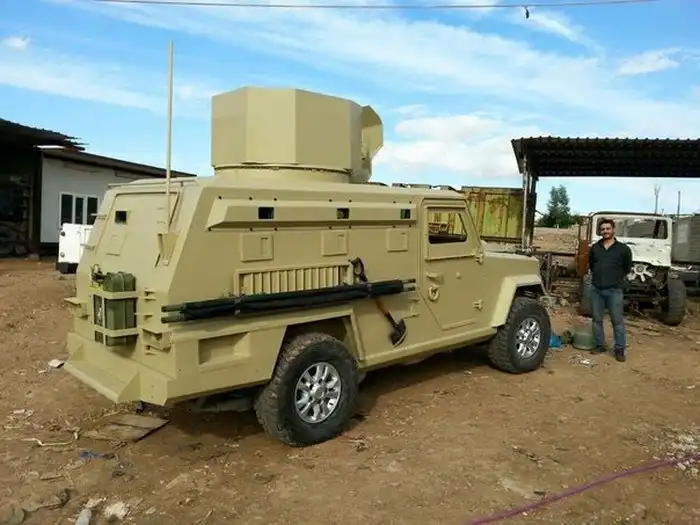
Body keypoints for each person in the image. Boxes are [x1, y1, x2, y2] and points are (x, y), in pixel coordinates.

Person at [588, 218, 633, 362]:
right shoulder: (595, 248)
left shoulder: (623, 249)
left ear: (613, 230)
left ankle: (619, 350)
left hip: (614, 290)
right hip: (597, 290)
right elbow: (592, 265)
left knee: (617, 321)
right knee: (596, 320)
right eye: (602, 229)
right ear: (600, 231)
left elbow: (627, 268)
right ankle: (600, 345)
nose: (605, 231)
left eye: (608, 228)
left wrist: (614, 278)